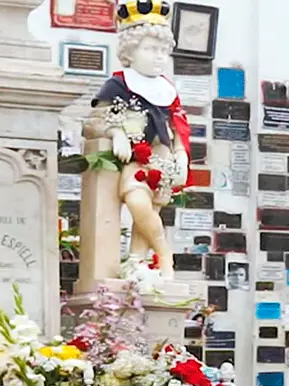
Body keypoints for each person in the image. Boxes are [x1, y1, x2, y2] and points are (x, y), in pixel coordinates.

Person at [86, 0, 190, 279]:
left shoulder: (167, 89)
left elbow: (178, 126)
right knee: (137, 202)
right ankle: (166, 256)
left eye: (163, 51)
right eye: (150, 49)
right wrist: (116, 132)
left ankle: (137, 262)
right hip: (136, 158)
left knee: (151, 210)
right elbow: (96, 119)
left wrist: (183, 157)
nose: (158, 57)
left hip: (163, 159)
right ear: (130, 52)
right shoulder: (119, 84)